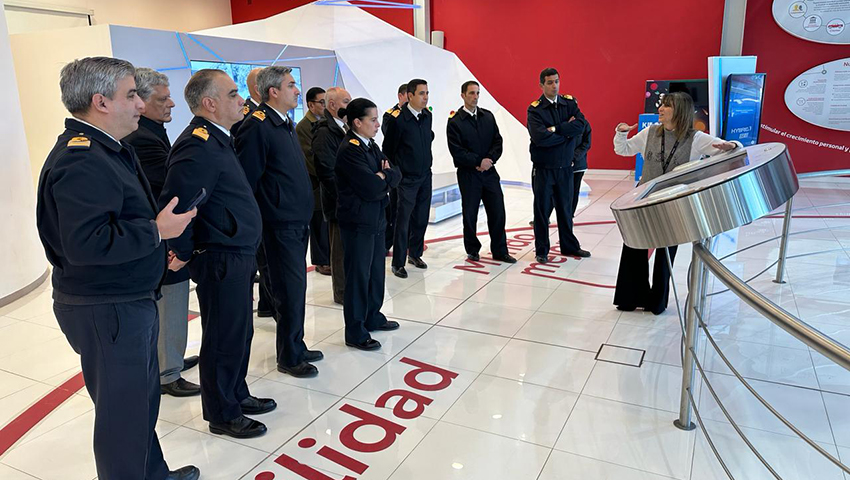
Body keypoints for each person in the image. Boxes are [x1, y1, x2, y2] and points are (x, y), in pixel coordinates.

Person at [36, 56, 199, 480]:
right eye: (131, 95)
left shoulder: (108, 149)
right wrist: (156, 231)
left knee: (140, 404)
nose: (141, 105)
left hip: (124, 300)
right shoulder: (82, 160)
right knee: (122, 418)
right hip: (106, 307)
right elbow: (86, 244)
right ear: (100, 102)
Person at [160, 69, 274, 439]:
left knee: (239, 333)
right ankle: (223, 413)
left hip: (236, 252)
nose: (242, 99)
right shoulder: (197, 144)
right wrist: (184, 251)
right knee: (223, 337)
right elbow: (178, 205)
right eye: (232, 93)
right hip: (220, 256)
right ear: (210, 103)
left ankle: (236, 394)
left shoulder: (218, 139)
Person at [612, 91, 739, 314]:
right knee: (633, 245)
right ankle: (630, 298)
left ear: (679, 111)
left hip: (673, 204)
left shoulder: (696, 138)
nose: (660, 109)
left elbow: (729, 151)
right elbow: (623, 150)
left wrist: (733, 145)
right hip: (644, 200)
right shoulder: (650, 132)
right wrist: (621, 134)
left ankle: (656, 302)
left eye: (667, 106)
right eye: (661, 105)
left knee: (665, 255)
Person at [235, 66, 322, 378]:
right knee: (287, 289)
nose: (297, 91)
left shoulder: (281, 123)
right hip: (279, 223)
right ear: (273, 91)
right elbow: (247, 182)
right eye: (291, 85)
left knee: (296, 288)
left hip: (296, 220)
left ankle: (296, 344)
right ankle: (289, 355)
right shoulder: (257, 126)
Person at [123, 67, 200, 398]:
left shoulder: (153, 132)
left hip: (161, 236)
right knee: (170, 303)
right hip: (163, 238)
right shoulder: (143, 138)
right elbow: (167, 193)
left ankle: (172, 359)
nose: (171, 104)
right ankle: (168, 371)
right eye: (162, 98)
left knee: (171, 305)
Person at [335, 98, 402, 350]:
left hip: (376, 218)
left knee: (375, 272)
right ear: (357, 122)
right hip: (358, 222)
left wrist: (384, 175)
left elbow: (396, 173)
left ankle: (373, 316)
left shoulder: (371, 146)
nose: (377, 124)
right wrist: (384, 176)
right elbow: (371, 187)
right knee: (358, 276)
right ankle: (355, 330)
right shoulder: (350, 149)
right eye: (372, 120)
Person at [446, 80, 516, 264]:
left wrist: (489, 160)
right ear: (463, 95)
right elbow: (457, 151)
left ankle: (500, 251)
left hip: (490, 173)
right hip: (469, 175)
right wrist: (478, 162)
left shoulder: (488, 117)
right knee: (470, 214)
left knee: (498, 212)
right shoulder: (455, 122)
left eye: (477, 93)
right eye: (471, 93)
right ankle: (472, 250)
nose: (475, 97)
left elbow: (497, 142)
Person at [527, 67, 591, 263]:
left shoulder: (569, 103)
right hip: (544, 168)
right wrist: (566, 134)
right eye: (549, 82)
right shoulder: (535, 109)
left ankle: (569, 246)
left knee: (565, 209)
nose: (554, 85)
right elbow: (540, 138)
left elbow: (581, 124)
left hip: (565, 167)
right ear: (541, 85)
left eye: (556, 81)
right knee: (542, 211)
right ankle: (542, 250)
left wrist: (555, 130)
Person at [231, 67, 273, 317]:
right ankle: (268, 303)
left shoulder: (264, 115)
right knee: (265, 257)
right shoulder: (249, 116)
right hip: (260, 199)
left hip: (266, 198)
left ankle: (267, 304)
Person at [383, 78, 434, 278]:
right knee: (402, 221)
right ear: (410, 95)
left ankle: (415, 254)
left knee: (421, 217)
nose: (425, 97)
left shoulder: (426, 115)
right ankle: (398, 263)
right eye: (421, 93)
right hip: (406, 180)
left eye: (427, 93)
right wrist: (398, 174)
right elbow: (388, 150)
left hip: (425, 176)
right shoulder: (398, 119)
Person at [313, 87, 351, 305]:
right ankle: (342, 292)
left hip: (349, 200)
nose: (350, 104)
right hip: (338, 201)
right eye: (346, 101)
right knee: (339, 249)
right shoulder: (324, 131)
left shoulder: (344, 127)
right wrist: (345, 194)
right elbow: (327, 171)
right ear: (333, 105)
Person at [296, 86, 331, 276]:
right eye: (321, 102)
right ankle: (320, 261)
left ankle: (328, 258)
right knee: (318, 223)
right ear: (310, 105)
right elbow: (309, 157)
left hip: (326, 181)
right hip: (315, 182)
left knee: (326, 223)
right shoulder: (303, 127)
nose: (324, 106)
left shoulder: (325, 122)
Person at [382, 83, 407, 252]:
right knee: (396, 209)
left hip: (413, 171)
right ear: (400, 96)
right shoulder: (391, 115)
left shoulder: (421, 115)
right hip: (398, 169)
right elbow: (389, 140)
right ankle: (388, 243)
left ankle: (407, 242)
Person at [572, 122, 592, 215]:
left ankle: (569, 216)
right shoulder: (558, 121)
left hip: (577, 165)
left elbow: (586, 144)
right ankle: (544, 217)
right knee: (553, 191)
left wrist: (573, 157)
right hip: (559, 164)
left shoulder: (583, 124)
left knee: (573, 191)